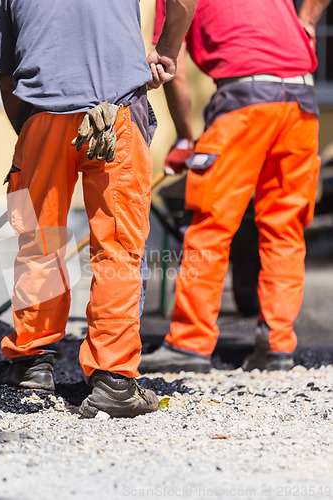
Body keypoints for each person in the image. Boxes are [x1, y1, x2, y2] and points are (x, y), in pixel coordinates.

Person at [0, 0, 197, 417]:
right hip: (116, 113)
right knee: (118, 248)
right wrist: (167, 50)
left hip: (42, 114)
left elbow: (7, 76)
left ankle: (31, 362)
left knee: (40, 242)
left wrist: (30, 137)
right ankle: (113, 380)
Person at [140, 0, 331, 373]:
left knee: (210, 224)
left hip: (245, 102)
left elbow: (169, 65)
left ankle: (189, 343)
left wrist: (183, 138)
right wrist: (307, 20)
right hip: (302, 101)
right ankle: (277, 345)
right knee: (285, 228)